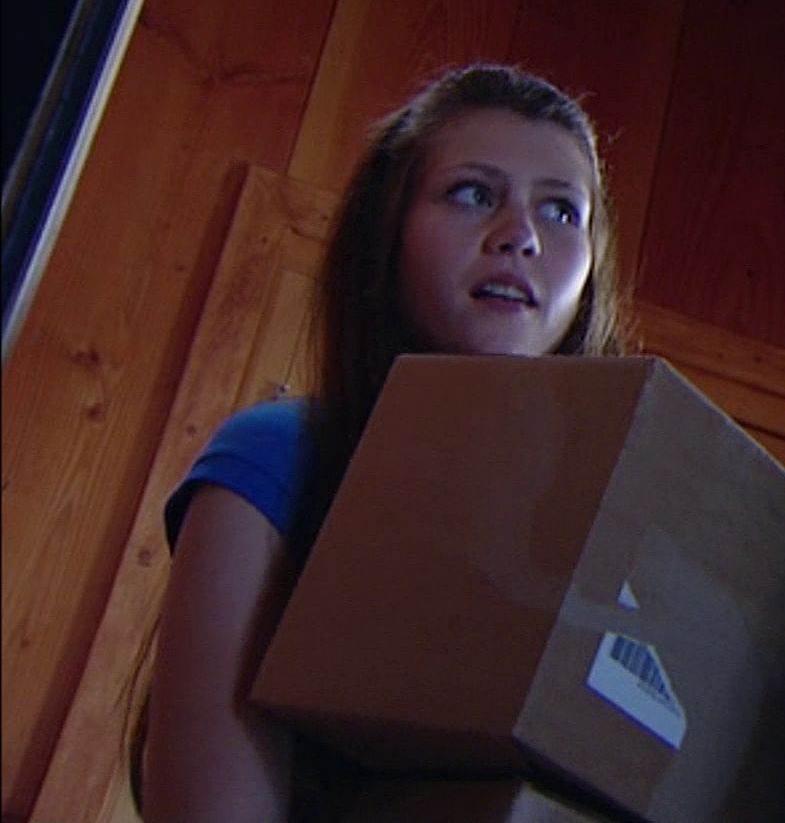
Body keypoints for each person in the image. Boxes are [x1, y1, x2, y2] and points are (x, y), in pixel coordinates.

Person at [139, 64, 629, 823]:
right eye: (474, 194)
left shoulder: (618, 523)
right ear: (388, 229)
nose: (521, 236)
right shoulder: (278, 457)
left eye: (561, 211)